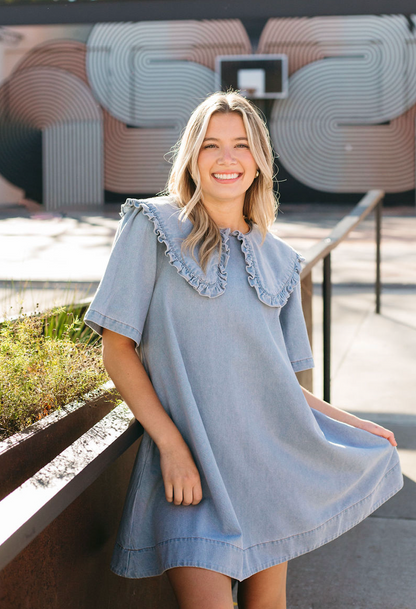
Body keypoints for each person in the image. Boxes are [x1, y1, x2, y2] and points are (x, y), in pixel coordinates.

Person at [84, 91, 404, 609]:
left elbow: (282, 386)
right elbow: (117, 347)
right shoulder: (152, 227)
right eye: (210, 145)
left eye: (240, 145)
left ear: (259, 162)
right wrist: (170, 446)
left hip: (266, 471)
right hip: (188, 476)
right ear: (192, 157)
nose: (226, 158)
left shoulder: (280, 261)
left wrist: (353, 425)